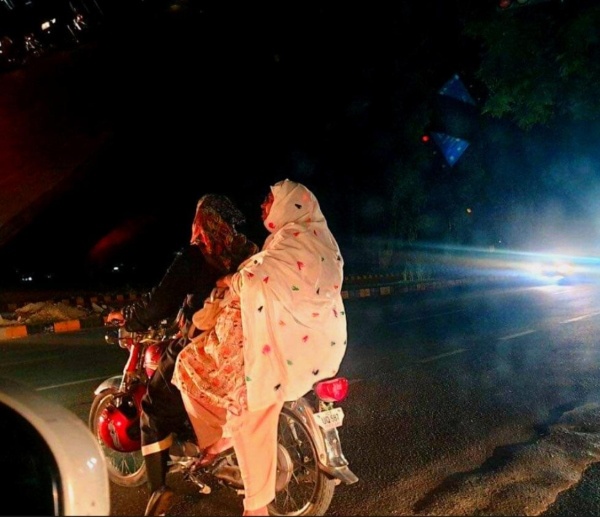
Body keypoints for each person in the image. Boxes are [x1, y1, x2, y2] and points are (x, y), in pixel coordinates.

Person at [172, 179, 348, 516]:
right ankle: (224, 441)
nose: (264, 205)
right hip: (311, 345)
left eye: (270, 199)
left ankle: (256, 506)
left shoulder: (286, 242)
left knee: (211, 380)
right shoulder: (321, 242)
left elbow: (255, 279)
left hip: (273, 345)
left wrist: (229, 281)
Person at [114, 194, 259, 517]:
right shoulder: (248, 251)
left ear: (202, 223)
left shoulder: (197, 257)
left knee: (152, 406)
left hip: (203, 340)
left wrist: (129, 316)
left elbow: (160, 303)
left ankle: (159, 491)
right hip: (247, 337)